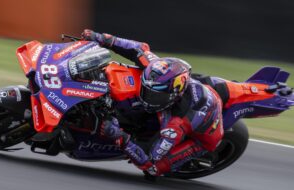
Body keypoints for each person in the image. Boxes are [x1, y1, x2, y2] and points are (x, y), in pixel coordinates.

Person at [82, 29, 224, 178]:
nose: (147, 97)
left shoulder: (175, 126)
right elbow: (139, 48)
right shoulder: (156, 67)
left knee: (153, 170)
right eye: (146, 89)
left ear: (171, 97)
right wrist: (100, 38)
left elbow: (149, 160)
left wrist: (119, 136)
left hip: (204, 138)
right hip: (203, 93)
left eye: (154, 95)